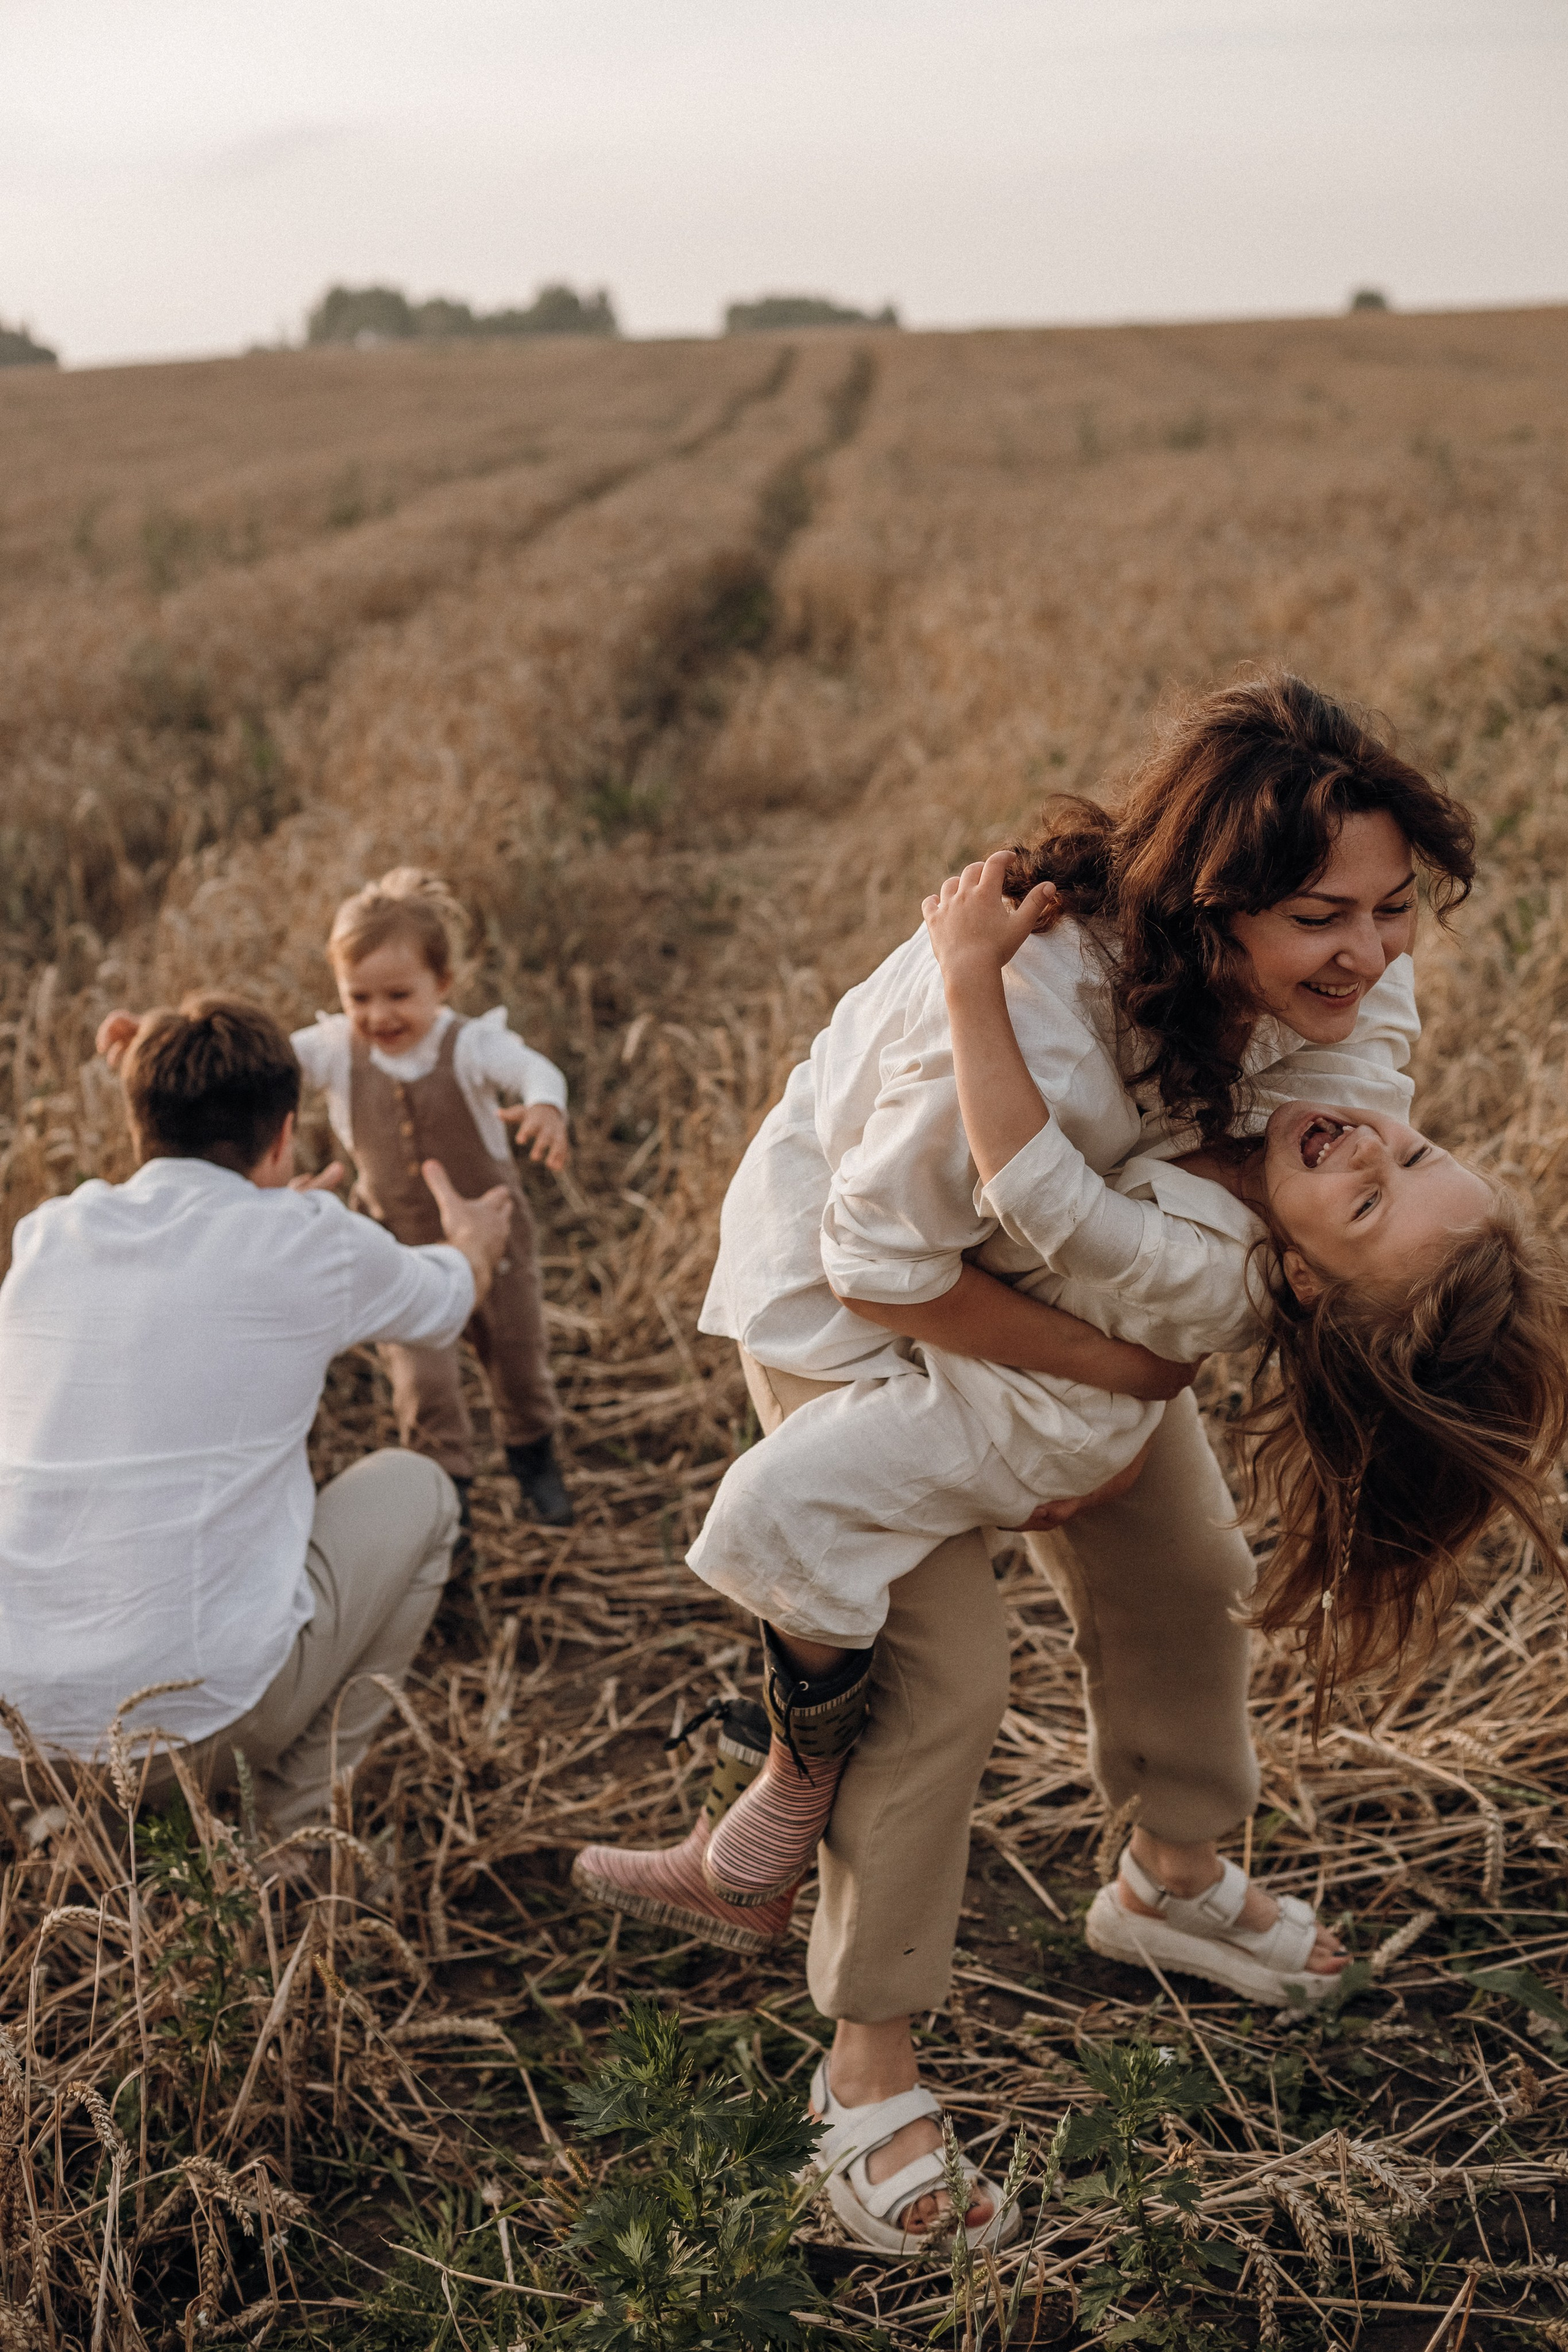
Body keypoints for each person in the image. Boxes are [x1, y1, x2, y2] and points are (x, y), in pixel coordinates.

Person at [576, 673, 1483, 2250]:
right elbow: (879, 1258)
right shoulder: (1034, 1007)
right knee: (945, 1679)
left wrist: (1128, 1389)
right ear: (1210, 914)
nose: (1368, 951)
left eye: (1392, 907)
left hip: (1106, 1281)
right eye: (1322, 915)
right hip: (867, 1303)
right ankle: (862, 2079)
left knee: (1186, 1570)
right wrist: (1117, 1378)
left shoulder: (1348, 984)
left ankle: (1168, 1878)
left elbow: (1320, 1226)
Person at [0, 995, 511, 1831]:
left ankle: (72, 1823)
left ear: (140, 1128)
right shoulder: (310, 1240)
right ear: (282, 1136)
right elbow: (448, 1299)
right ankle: (298, 1834)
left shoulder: (50, 1234)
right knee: (421, 1492)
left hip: (13, 1742)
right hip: (199, 1730)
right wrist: (474, 1239)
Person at [292, 867, 574, 1529]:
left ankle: (534, 1456)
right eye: (358, 996)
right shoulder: (336, 1051)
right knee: (422, 1385)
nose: (379, 1015)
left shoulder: (469, 1044)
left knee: (516, 1358)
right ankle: (449, 1502)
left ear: (442, 985)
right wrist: (168, 1041)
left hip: (495, 1240)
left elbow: (535, 1068)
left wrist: (544, 1105)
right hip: (402, 1251)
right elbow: (264, 1070)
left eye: (399, 994)